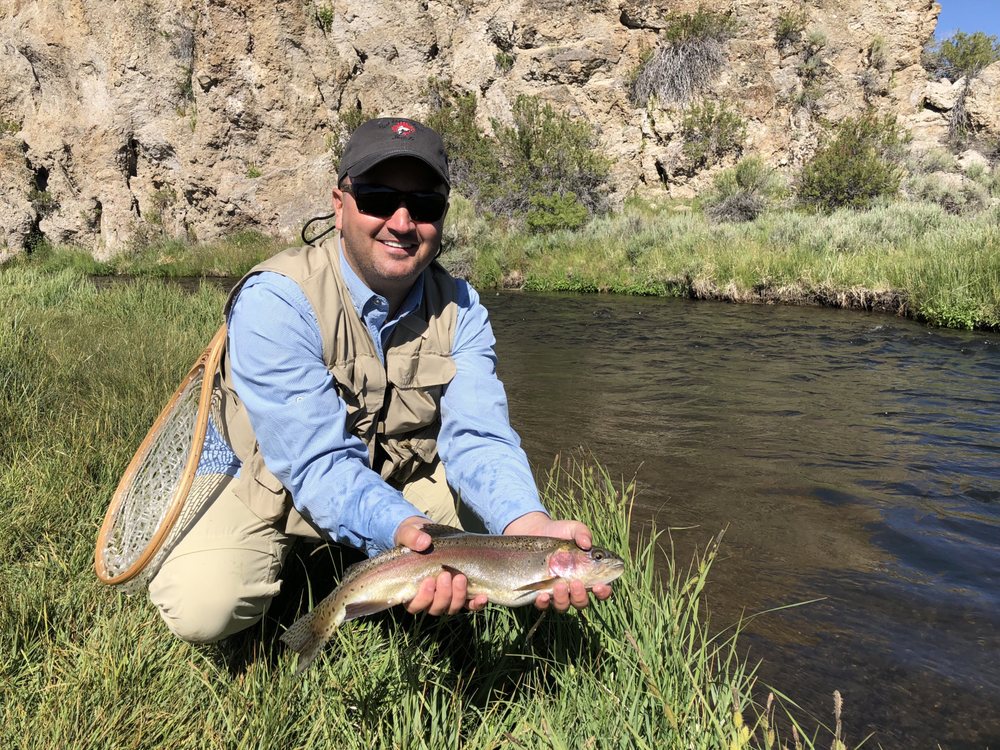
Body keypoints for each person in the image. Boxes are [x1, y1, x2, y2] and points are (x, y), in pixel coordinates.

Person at [148, 117, 613, 644]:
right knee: (204, 607)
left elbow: (479, 437)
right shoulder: (277, 300)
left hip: (389, 478)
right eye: (376, 197)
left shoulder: (463, 308)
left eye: (425, 205)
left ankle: (376, 569)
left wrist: (526, 529)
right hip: (269, 481)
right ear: (339, 203)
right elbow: (318, 464)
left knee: (491, 536)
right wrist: (411, 534)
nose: (401, 221)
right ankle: (325, 573)